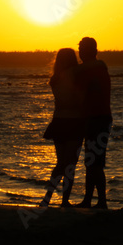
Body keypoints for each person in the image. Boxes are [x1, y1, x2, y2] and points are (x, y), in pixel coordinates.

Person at [40, 48, 85, 207]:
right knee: (70, 164)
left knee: (60, 163)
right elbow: (77, 99)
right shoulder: (75, 74)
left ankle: (47, 197)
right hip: (73, 122)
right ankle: (64, 200)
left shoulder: (55, 78)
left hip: (58, 121)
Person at [76, 37, 112, 209]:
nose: (80, 52)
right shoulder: (97, 68)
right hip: (96, 118)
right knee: (92, 161)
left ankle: (101, 201)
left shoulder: (93, 69)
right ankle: (89, 200)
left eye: (82, 49)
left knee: (95, 162)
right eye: (80, 49)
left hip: (98, 119)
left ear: (90, 51)